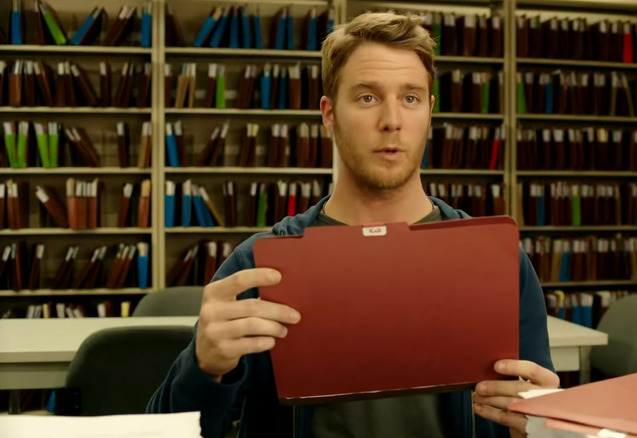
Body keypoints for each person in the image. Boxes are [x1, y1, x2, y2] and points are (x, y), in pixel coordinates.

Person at [147, 10, 559, 438]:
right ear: (328, 114)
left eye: (411, 98)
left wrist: (545, 424)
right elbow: (169, 430)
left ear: (430, 113)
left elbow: (535, 418)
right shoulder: (260, 266)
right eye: (367, 97)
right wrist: (203, 368)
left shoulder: (496, 262)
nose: (392, 120)